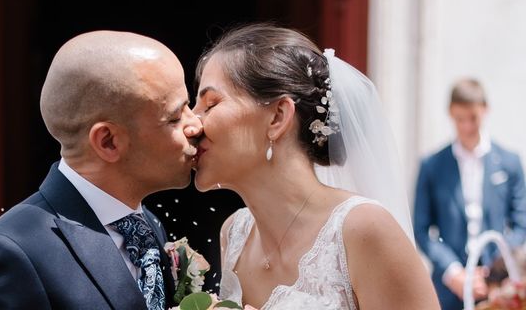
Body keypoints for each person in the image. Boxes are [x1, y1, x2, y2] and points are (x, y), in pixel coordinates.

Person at [190, 23, 439, 310]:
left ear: (277, 117)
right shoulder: (233, 235)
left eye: (210, 104)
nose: (192, 122)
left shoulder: (364, 230)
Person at [0, 31, 203, 310]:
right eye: (175, 117)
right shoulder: (12, 256)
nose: (196, 126)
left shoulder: (148, 225)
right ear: (108, 141)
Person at [414, 78, 526, 310]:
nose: (466, 126)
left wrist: (496, 269)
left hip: (497, 288)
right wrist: (453, 272)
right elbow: (422, 229)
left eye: (473, 118)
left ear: (485, 110)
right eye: (459, 119)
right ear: (450, 114)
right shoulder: (431, 165)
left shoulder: (509, 162)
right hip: (447, 289)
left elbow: (521, 223)